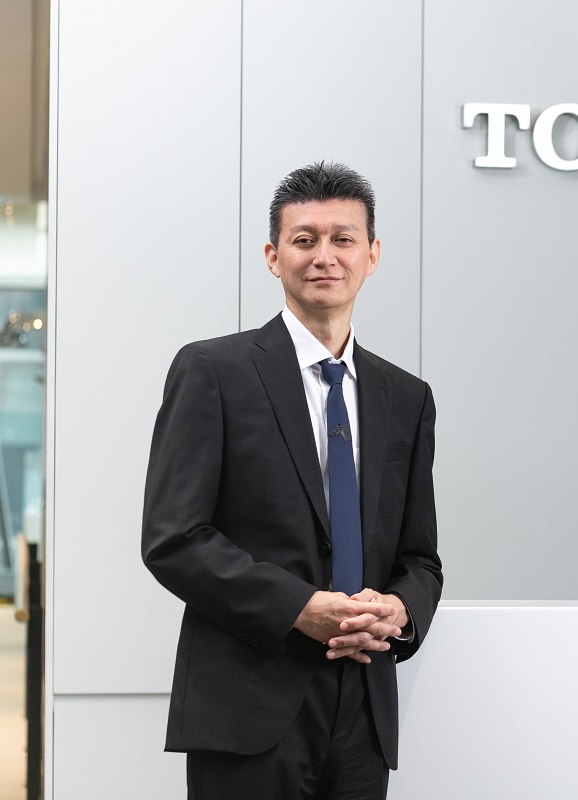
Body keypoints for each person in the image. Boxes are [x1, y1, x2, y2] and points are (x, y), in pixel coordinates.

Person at [141, 161, 443, 799]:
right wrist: (300, 609)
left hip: (363, 709)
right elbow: (174, 538)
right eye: (305, 239)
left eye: (343, 239)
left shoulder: (405, 397)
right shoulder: (212, 371)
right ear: (274, 257)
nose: (324, 256)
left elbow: (420, 559)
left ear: (372, 255)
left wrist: (400, 611)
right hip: (248, 701)